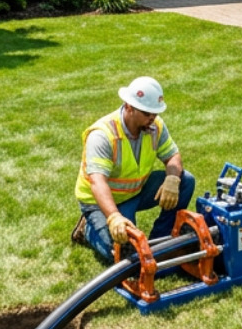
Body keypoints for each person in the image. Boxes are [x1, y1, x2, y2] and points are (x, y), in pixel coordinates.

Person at [71, 76, 196, 262]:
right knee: (124, 256)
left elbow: (172, 156)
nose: (152, 118)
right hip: (100, 202)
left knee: (185, 181)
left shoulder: (155, 126)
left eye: (155, 113)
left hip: (135, 191)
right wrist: (113, 217)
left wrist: (172, 179)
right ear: (129, 107)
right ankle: (88, 228)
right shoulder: (102, 135)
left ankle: (161, 241)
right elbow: (97, 182)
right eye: (147, 113)